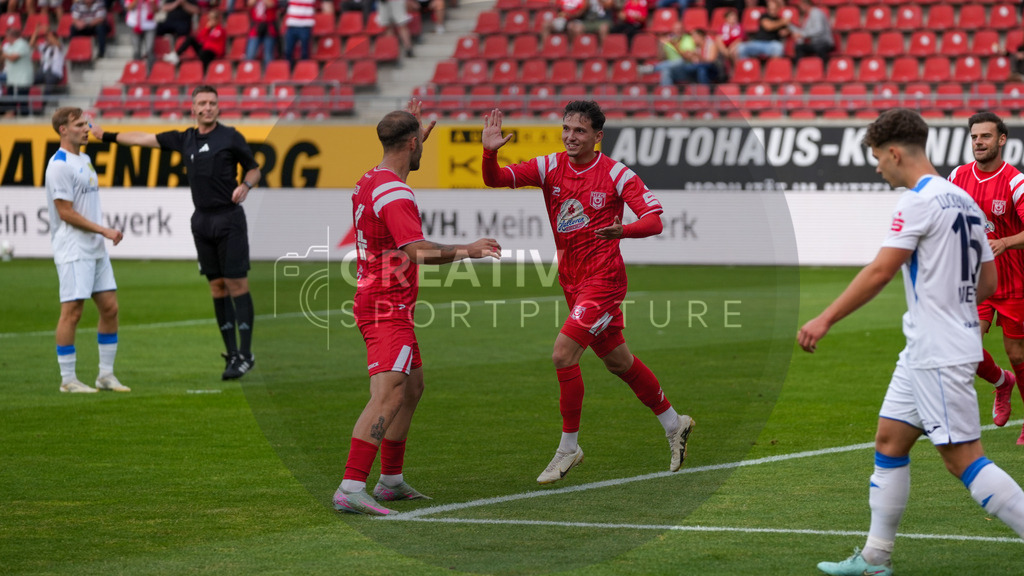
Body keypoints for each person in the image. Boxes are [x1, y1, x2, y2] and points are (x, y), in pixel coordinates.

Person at [798, 108, 1024, 576]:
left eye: (879, 157)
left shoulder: (917, 202)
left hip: (937, 351)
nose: (878, 167)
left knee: (963, 460)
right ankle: (875, 559)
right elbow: (987, 279)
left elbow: (880, 270)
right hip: (928, 346)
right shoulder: (962, 198)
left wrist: (824, 318)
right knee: (890, 440)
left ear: (896, 153)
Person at [481, 102, 695, 485]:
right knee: (618, 361)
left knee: (563, 354)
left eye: (579, 131)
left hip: (604, 280)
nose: (570, 137)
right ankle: (674, 422)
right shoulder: (550, 167)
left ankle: (569, 447)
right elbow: (494, 179)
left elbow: (654, 221)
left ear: (598, 136)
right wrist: (489, 152)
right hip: (572, 280)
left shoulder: (615, 174)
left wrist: (622, 231)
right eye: (566, 129)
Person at [332, 101, 502, 515]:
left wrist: (410, 145)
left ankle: (390, 481)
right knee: (388, 396)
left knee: (411, 388)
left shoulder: (371, 179)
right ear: (412, 143)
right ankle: (351, 486)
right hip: (386, 305)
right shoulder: (395, 192)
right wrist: (469, 250)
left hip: (385, 300)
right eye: (419, 142)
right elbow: (418, 251)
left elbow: (394, 178)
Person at [89, 86, 261, 381]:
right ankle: (232, 353)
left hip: (229, 219)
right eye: (202, 103)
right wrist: (106, 135)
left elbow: (254, 169)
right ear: (193, 109)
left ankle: (245, 354)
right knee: (217, 287)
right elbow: (143, 139)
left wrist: (246, 185)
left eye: (212, 103)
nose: (208, 107)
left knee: (236, 284)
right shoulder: (185, 139)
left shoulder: (230, 136)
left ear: (218, 107)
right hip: (202, 222)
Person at [948, 112, 1024, 442]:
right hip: (974, 283)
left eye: (986, 137)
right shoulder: (957, 177)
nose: (979, 142)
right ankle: (1001, 383)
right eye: (975, 137)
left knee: (1018, 354)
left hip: (1013, 283)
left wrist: (1006, 242)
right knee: (965, 349)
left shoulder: (1015, 182)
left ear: (1001, 140)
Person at [45, 107, 130, 394]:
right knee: (72, 311)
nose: (87, 128)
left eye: (86, 123)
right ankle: (68, 380)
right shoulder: (58, 165)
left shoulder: (85, 158)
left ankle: (105, 375)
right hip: (73, 248)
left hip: (94, 249)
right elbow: (65, 212)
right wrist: (104, 230)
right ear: (63, 130)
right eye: (80, 124)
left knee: (110, 308)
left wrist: (100, 236)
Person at [637, 21, 695, 86]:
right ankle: (666, 93)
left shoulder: (688, 39)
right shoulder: (669, 38)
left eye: (680, 29)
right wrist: (661, 46)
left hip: (685, 70)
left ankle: (653, 68)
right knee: (666, 70)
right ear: (673, 30)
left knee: (680, 61)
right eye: (676, 29)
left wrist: (675, 45)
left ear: (683, 29)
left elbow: (687, 58)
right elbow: (661, 58)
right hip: (672, 70)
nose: (678, 31)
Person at [282, 0, 331, 68]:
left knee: (305, 52)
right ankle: (289, 71)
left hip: (305, 25)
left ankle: (304, 70)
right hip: (292, 25)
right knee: (288, 51)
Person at [2, 26, 33, 117]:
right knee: (11, 101)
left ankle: (25, 121)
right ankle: (11, 116)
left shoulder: (21, 44)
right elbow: (5, 58)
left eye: (7, 36)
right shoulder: (12, 46)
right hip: (13, 79)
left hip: (22, 79)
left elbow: (13, 58)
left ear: (11, 36)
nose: (6, 38)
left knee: (23, 102)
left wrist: (2, 53)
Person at [244, 0, 279, 68]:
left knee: (268, 55)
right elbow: (250, 3)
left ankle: (269, 74)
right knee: (250, 54)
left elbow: (271, 4)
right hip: (256, 26)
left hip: (269, 27)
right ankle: (249, 72)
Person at [124, 0, 158, 69]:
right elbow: (128, 8)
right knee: (136, 51)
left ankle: (150, 72)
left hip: (149, 25)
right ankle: (138, 72)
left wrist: (152, 2)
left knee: (149, 50)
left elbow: (156, 10)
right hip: (134, 23)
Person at [34, 26, 66, 94]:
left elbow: (57, 43)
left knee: (48, 88)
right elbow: (32, 44)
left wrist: (48, 32)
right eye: (47, 38)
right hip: (43, 71)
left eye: (49, 38)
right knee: (28, 81)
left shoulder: (60, 47)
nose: (47, 39)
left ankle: (44, 104)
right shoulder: (45, 47)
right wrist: (36, 33)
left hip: (54, 73)